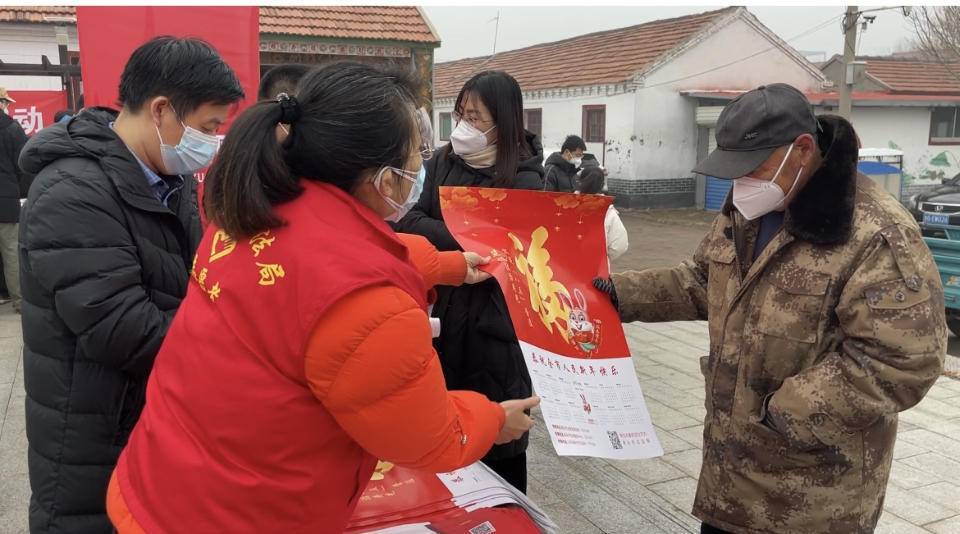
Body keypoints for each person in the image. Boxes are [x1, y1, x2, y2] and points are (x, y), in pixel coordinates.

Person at [105, 62, 539, 533]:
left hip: (160, 483)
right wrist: (493, 419)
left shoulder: (253, 210)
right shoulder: (372, 307)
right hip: (240, 515)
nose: (422, 164)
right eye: (416, 153)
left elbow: (338, 260)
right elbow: (427, 438)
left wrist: (449, 266)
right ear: (384, 179)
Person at [595, 84, 946, 534]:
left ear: (801, 150)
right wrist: (615, 294)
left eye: (752, 168)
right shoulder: (750, 208)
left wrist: (783, 414)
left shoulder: (875, 233)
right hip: (729, 485)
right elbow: (702, 280)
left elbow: (903, 360)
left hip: (812, 502)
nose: (740, 184)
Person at [18, 37, 243, 533]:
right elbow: (121, 327)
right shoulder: (71, 190)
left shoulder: (166, 176)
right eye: (207, 127)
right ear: (162, 110)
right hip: (94, 440)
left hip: (151, 421)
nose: (209, 142)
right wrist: (243, 346)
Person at [396, 70, 544, 492]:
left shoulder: (527, 178)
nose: (464, 126)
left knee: (500, 445)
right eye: (461, 114)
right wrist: (462, 247)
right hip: (443, 313)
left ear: (505, 121)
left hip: (496, 328)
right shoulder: (443, 161)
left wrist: (448, 232)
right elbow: (409, 218)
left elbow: (511, 250)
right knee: (443, 432)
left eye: (476, 117)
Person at [0, 87, 28, 313]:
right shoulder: (10, 127)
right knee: (10, 250)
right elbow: (23, 163)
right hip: (5, 200)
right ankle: (19, 299)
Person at [577, 166, 628, 262]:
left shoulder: (566, 207)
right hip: (597, 267)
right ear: (602, 185)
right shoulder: (608, 212)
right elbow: (619, 246)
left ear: (580, 182)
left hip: (568, 268)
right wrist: (604, 257)